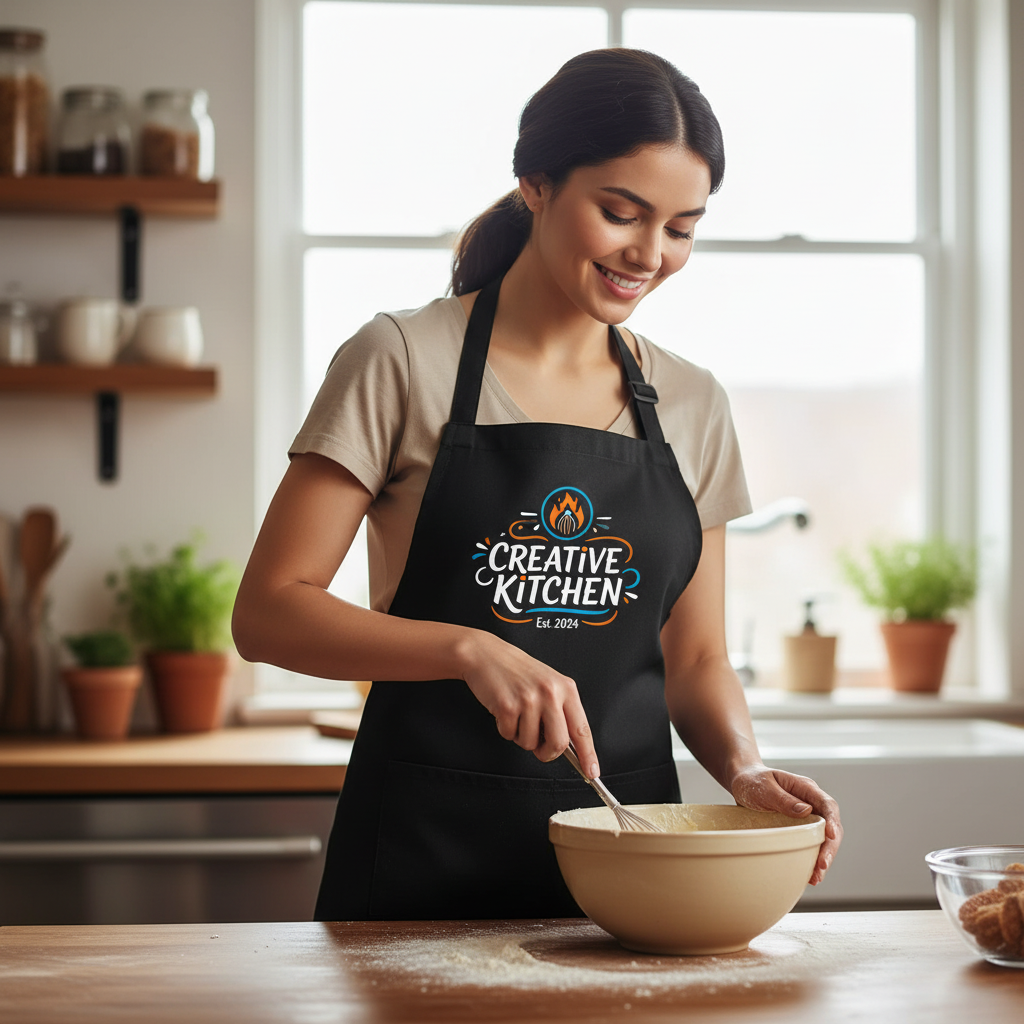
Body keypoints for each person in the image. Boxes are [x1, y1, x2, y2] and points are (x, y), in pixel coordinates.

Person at [232, 47, 843, 922]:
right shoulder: (401, 358)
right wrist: (468, 649)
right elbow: (267, 613)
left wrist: (743, 770)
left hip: (629, 860)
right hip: (421, 854)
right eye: (621, 213)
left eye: (681, 228)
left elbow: (697, 660)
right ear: (537, 183)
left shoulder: (692, 401)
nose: (649, 254)